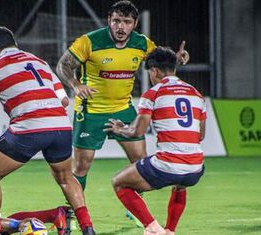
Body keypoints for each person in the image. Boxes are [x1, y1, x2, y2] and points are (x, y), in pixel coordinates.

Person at [0, 26, 97, 235]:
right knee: (66, 177)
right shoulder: (40, 62)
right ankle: (88, 230)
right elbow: (64, 100)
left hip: (29, 128)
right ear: (14, 44)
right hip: (61, 126)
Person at [56, 1, 189, 194]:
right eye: (116, 20)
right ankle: (73, 214)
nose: (121, 26)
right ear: (109, 20)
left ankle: (135, 209)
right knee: (81, 166)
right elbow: (63, 65)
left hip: (123, 110)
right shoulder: (89, 41)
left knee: (141, 161)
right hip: (91, 111)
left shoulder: (142, 43)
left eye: (126, 22)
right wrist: (75, 85)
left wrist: (177, 59)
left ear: (134, 24)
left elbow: (161, 62)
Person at [105, 47, 205, 235]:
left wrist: (120, 129)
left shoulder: (153, 93)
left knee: (119, 182)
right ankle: (169, 233)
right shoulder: (196, 94)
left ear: (155, 71)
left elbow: (137, 131)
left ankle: (151, 227)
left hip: (168, 165)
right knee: (180, 185)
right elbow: (200, 135)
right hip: (196, 167)